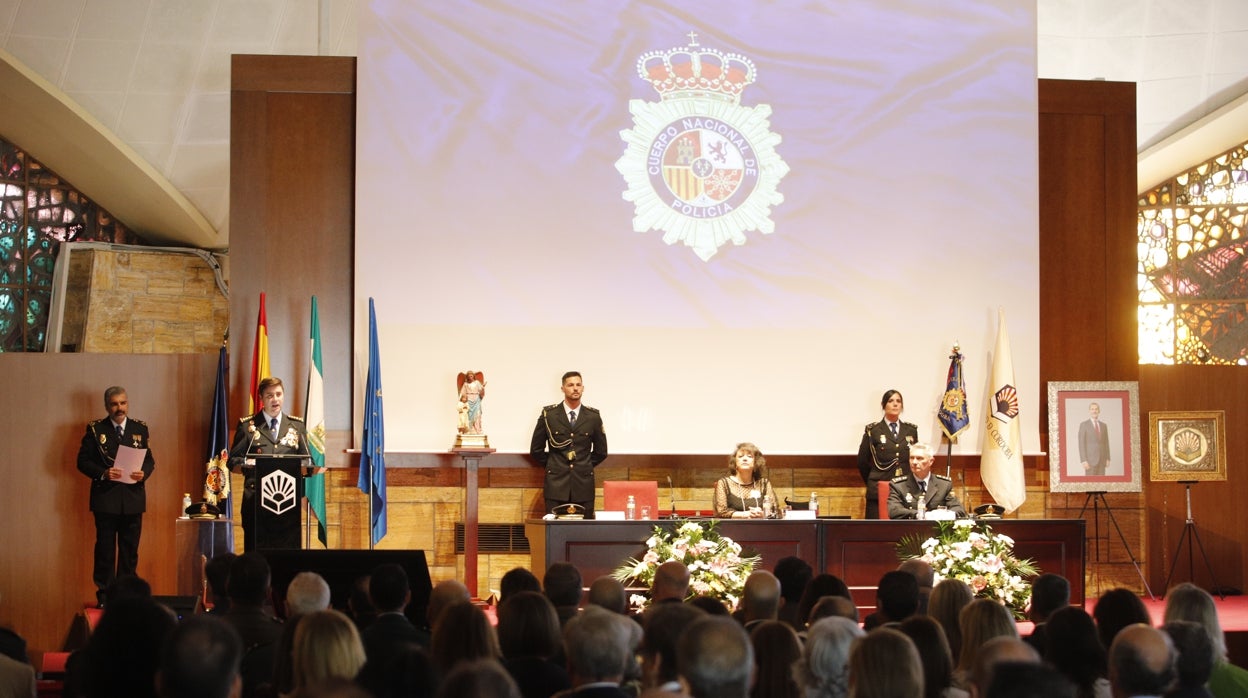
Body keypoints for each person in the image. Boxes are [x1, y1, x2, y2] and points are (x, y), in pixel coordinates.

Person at [76, 385, 156, 606]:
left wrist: (144, 473)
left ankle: (126, 594)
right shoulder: (95, 430)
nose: (119, 408)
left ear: (127, 403)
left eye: (123, 403)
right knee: (105, 549)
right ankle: (104, 594)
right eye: (114, 404)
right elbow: (82, 462)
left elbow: (149, 460)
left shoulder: (140, 428)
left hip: (133, 498)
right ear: (107, 406)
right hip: (106, 499)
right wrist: (103, 473)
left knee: (130, 551)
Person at [228, 377, 311, 551]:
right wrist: (248, 463)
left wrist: (306, 467)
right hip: (256, 505)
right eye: (270, 395)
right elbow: (233, 460)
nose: (275, 399)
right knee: (255, 559)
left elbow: (307, 461)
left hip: (288, 506)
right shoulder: (248, 426)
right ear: (261, 398)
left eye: (279, 394)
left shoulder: (296, 426)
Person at [529, 371, 608, 518]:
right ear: (563, 388)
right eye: (570, 385)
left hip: (583, 483)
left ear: (583, 388)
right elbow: (536, 449)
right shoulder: (549, 414)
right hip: (556, 484)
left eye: (578, 385)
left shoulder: (593, 416)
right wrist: (554, 464)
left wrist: (584, 464)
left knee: (584, 533)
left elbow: (601, 451)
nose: (575, 388)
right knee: (554, 532)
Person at [857, 389, 918, 518]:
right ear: (884, 405)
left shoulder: (911, 430)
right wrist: (874, 480)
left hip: (904, 489)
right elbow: (862, 461)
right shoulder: (873, 431)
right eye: (891, 401)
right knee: (875, 532)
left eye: (898, 401)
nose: (895, 404)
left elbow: (915, 459)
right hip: (878, 490)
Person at [888, 443, 965, 519]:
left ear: (931, 461)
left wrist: (944, 515)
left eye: (919, 458)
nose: (914, 462)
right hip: (909, 529)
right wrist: (920, 515)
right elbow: (894, 511)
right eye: (912, 458)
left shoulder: (944, 485)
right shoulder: (898, 485)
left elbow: (959, 510)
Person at [713, 442, 778, 519]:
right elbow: (721, 512)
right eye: (740, 456)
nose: (744, 459)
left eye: (749, 456)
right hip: (733, 528)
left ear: (755, 462)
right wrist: (744, 514)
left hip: (760, 527)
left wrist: (763, 514)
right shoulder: (724, 483)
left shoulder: (764, 483)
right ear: (735, 463)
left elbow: (774, 510)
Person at [1077, 402, 1111, 476]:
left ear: (1099, 411)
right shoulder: (1084, 425)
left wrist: (1108, 458)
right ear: (1089, 411)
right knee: (1090, 485)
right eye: (1092, 409)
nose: (1094, 411)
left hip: (1102, 460)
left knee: (1102, 485)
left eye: (1096, 409)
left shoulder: (1104, 426)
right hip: (1090, 461)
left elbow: (1106, 443)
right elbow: (1081, 444)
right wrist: (1083, 460)